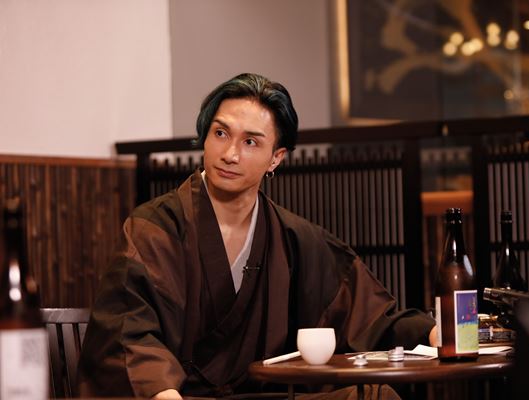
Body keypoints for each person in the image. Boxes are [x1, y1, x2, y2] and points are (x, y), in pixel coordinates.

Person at [78, 73, 436, 399]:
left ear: (275, 158)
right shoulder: (157, 228)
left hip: (262, 396)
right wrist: (162, 391)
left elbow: (368, 316)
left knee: (375, 396)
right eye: (220, 134)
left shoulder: (292, 236)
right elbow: (129, 331)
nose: (230, 154)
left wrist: (433, 334)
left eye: (250, 142)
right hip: (177, 396)